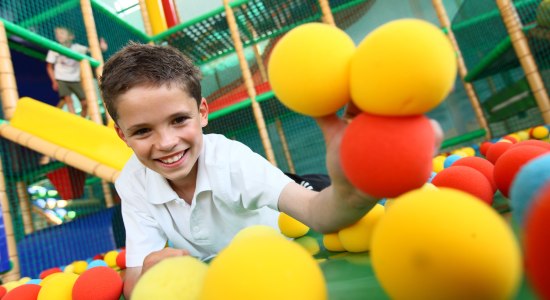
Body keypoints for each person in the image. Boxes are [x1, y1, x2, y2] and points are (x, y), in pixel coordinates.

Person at [99, 43, 443, 298]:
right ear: (121, 135)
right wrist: (148, 277)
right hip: (237, 262)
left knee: (322, 188)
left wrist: (357, 187)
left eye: (179, 120)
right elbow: (134, 285)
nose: (167, 142)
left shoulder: (230, 161)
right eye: (143, 131)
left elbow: (317, 214)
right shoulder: (133, 181)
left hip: (290, 202)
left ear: (202, 112)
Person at [46, 26, 107, 118]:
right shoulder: (54, 49)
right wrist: (54, 81)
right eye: (57, 34)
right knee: (69, 100)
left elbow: (91, 50)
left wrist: (101, 48)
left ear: (71, 36)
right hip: (61, 78)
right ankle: (73, 118)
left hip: (75, 79)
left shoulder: (77, 48)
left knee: (85, 103)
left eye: (62, 33)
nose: (59, 35)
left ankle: (82, 119)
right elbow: (49, 67)